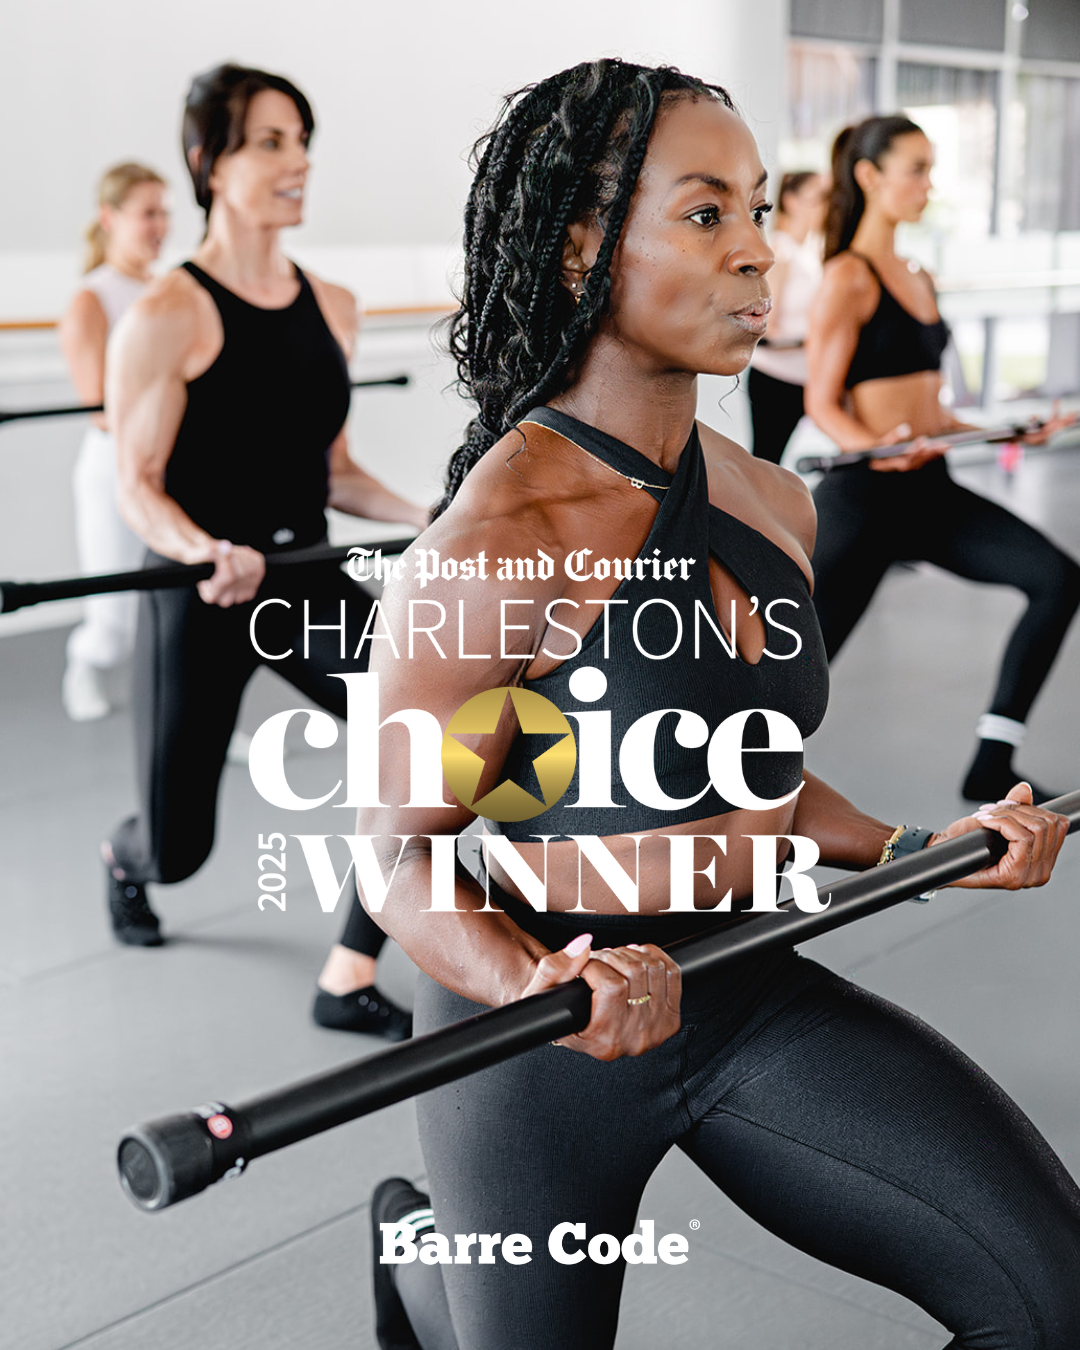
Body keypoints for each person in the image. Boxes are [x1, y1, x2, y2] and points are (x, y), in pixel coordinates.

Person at [359, 61, 1080, 1350]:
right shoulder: (499, 544)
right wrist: (537, 978)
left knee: (1052, 1297)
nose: (758, 253)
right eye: (706, 215)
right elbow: (401, 859)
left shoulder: (773, 501)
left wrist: (925, 849)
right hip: (538, 1027)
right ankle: (419, 1265)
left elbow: (756, 774)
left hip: (739, 981)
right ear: (580, 246)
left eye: (757, 211)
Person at [102, 64, 427, 1041]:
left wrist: (432, 516)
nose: (299, 161)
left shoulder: (333, 305)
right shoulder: (167, 313)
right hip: (198, 596)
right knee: (177, 849)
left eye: (303, 141)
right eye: (271, 142)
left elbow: (334, 472)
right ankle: (126, 860)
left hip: (303, 579)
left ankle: (349, 970)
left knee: (428, 739)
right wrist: (204, 548)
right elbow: (136, 483)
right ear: (209, 161)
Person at [805, 115, 1080, 803]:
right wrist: (874, 449)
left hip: (931, 492)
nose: (929, 184)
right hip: (866, 500)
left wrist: (1006, 431)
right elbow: (822, 402)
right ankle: (717, 795)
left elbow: (935, 411)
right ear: (870, 177)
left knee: (1058, 579)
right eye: (918, 169)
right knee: (797, 672)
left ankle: (992, 759)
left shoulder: (919, 275)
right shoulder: (848, 276)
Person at [59, 162, 169, 721]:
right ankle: (84, 662)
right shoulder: (92, 298)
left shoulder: (167, 291)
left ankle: (201, 720)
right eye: (148, 213)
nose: (160, 226)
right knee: (116, 623)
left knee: (186, 607)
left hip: (174, 466)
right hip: (115, 472)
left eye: (165, 213)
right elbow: (99, 408)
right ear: (110, 217)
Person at [746, 170, 827, 464]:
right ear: (791, 201)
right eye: (821, 198)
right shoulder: (779, 252)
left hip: (803, 378)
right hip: (775, 379)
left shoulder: (810, 255)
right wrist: (810, 341)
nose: (828, 206)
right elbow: (765, 324)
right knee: (766, 464)